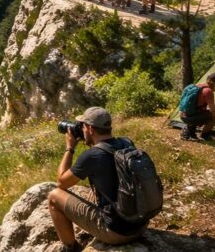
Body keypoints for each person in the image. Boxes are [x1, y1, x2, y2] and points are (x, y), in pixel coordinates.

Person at [47, 107, 148, 250]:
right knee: (94, 191)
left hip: (117, 233)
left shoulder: (92, 156)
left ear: (90, 129)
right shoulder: (127, 143)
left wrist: (69, 148)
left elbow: (62, 183)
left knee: (53, 196)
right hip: (141, 225)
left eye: (82, 126)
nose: (80, 130)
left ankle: (71, 247)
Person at [180, 72, 215, 141]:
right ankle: (204, 135)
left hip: (183, 115)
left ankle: (189, 131)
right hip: (190, 117)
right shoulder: (208, 91)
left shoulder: (198, 86)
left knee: (206, 112)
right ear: (214, 83)